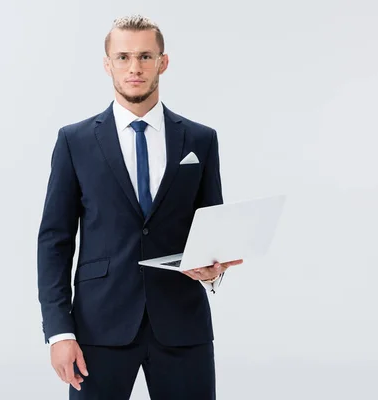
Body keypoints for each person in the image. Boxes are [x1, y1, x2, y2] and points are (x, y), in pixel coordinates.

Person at [37, 14, 242, 399]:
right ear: (107, 63)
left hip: (183, 323)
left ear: (163, 62)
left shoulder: (200, 139)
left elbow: (211, 228)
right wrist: (59, 332)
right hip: (98, 327)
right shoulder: (74, 141)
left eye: (146, 56)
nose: (135, 67)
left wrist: (213, 271)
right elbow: (54, 242)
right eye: (124, 57)